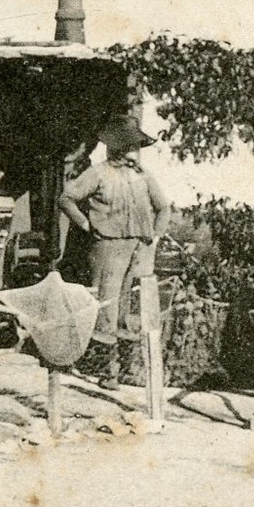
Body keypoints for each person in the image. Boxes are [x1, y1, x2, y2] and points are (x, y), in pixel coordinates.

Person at [58, 118, 173, 389]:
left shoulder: (143, 176)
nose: (137, 151)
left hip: (139, 249)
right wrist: (87, 224)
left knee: (131, 309)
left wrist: (155, 235)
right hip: (108, 249)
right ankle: (107, 372)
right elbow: (66, 199)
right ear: (120, 148)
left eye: (138, 145)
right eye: (133, 145)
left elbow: (164, 207)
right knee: (106, 308)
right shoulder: (98, 173)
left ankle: (128, 369)